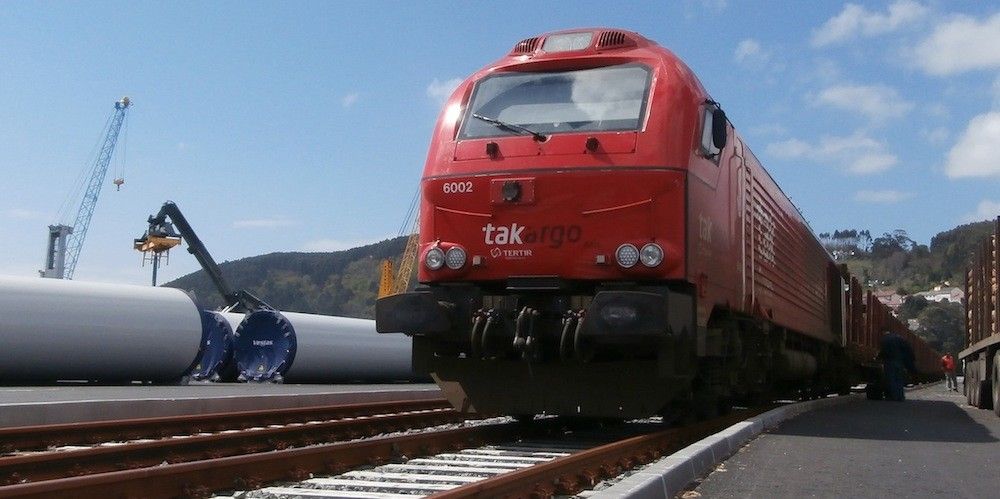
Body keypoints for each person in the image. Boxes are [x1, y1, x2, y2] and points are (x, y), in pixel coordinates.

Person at [877, 330, 915, 401]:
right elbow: (908, 349)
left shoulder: (885, 340)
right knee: (899, 379)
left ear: (883, 333)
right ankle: (900, 396)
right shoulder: (900, 338)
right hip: (899, 361)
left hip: (889, 361)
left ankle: (893, 396)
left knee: (891, 379)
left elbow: (883, 351)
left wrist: (877, 358)